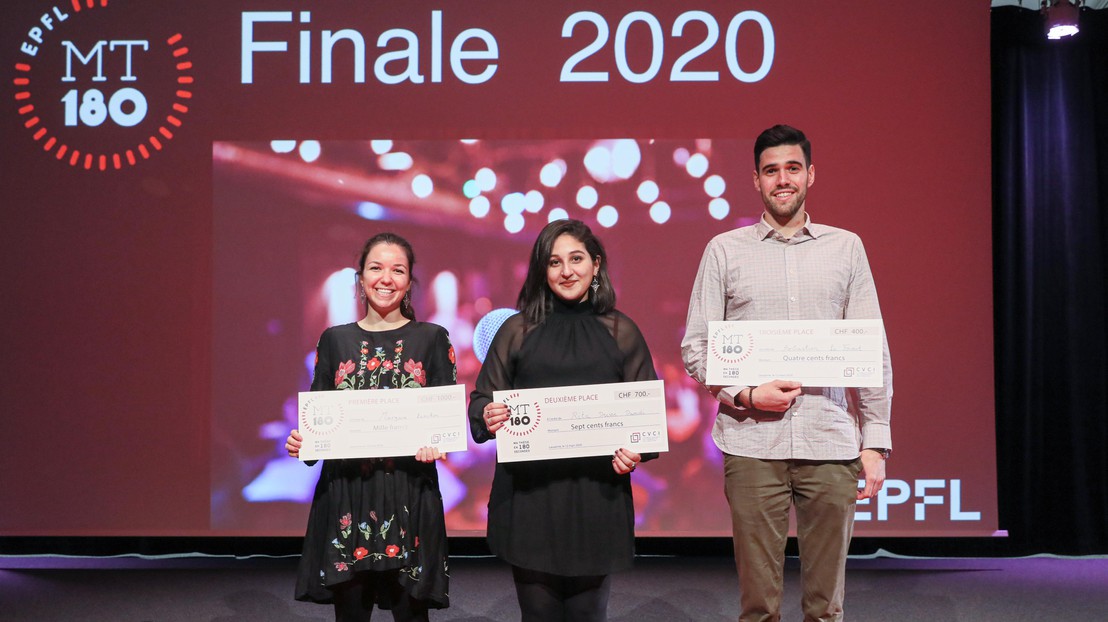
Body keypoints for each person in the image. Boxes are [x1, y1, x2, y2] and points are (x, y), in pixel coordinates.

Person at [680, 125, 893, 622]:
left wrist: (875, 441)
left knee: (826, 608)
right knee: (758, 607)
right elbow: (696, 347)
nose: (783, 179)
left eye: (792, 168)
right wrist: (748, 394)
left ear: (810, 175)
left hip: (831, 440)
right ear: (756, 179)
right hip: (753, 443)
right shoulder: (724, 250)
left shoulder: (847, 248)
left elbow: (871, 350)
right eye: (771, 170)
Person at [469, 218, 658, 622]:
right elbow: (482, 400)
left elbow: (646, 414)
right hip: (529, 498)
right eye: (554, 262)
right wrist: (489, 413)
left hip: (596, 497)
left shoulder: (622, 331)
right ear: (542, 270)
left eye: (576, 259)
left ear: (596, 265)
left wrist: (635, 449)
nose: (566, 270)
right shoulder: (515, 330)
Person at [285, 232, 456, 621]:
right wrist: (303, 442)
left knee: (411, 614)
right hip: (348, 493)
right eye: (376, 268)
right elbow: (319, 420)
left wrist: (438, 442)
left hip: (409, 492)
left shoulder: (431, 338)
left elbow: (445, 419)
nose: (386, 278)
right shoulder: (334, 340)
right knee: (351, 614)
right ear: (360, 278)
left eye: (398, 270)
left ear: (410, 282)